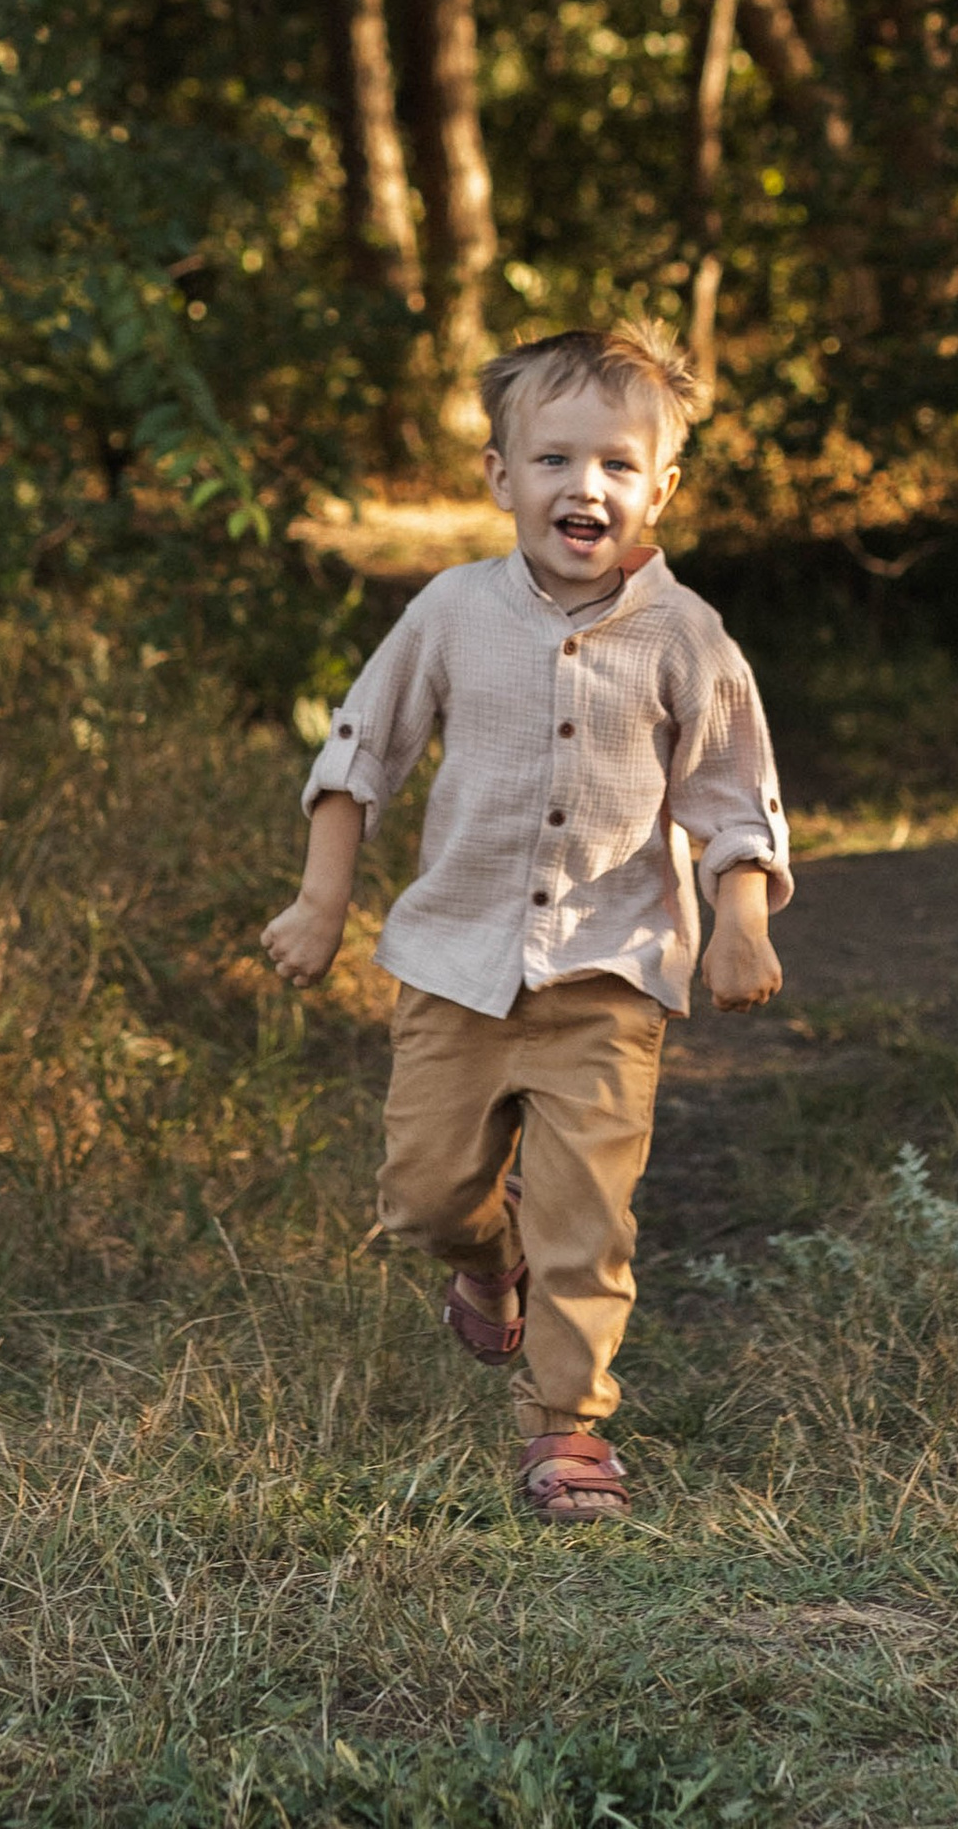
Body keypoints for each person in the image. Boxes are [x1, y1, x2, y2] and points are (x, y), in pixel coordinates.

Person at [262, 318, 790, 1523]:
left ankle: (568, 1430)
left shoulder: (687, 636)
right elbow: (359, 756)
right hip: (454, 967)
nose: (583, 486)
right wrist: (318, 901)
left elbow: (732, 797)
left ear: (661, 485)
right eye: (552, 460)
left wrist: (743, 920)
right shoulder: (450, 611)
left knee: (584, 1219)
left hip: (608, 981)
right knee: (426, 1196)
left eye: (614, 463)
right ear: (500, 476)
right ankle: (481, 1262)